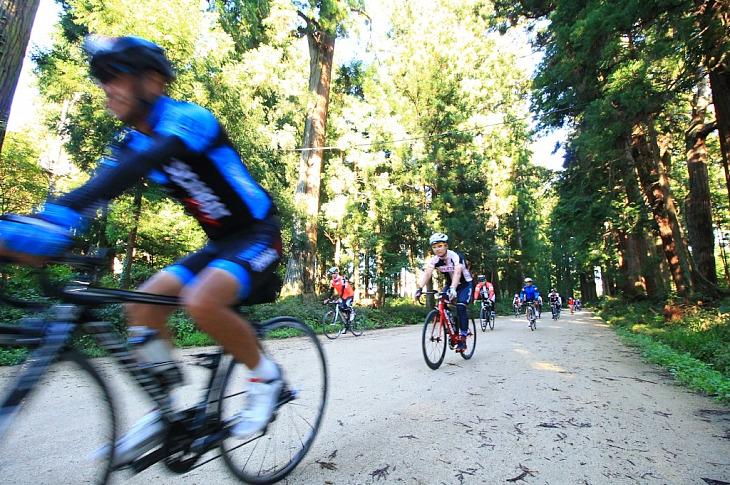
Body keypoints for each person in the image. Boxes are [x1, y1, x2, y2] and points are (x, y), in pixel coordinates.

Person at [0, 36, 283, 462]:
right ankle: (164, 410)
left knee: (200, 301)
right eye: (102, 80)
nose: (106, 88)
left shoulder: (190, 119)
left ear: (151, 80)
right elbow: (98, 190)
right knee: (142, 307)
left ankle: (266, 379)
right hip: (221, 244)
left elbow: (142, 165)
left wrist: (56, 221)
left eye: (115, 77)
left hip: (259, 234)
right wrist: (45, 223)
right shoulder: (130, 142)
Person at [414, 233, 473, 352]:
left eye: (440, 246)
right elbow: (428, 273)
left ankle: (463, 336)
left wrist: (453, 288)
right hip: (450, 283)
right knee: (442, 302)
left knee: (461, 307)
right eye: (434, 247)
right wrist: (420, 288)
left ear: (446, 246)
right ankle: (452, 324)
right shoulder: (434, 260)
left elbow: (457, 273)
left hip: (465, 284)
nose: (437, 249)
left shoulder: (455, 256)